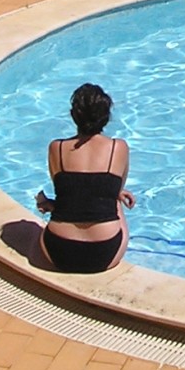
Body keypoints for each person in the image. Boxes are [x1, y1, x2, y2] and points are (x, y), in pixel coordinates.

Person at [34, 82, 135, 273]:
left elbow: (70, 196)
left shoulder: (57, 148)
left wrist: (46, 202)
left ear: (73, 115)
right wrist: (113, 192)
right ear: (106, 117)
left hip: (58, 250)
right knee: (115, 200)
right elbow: (116, 188)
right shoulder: (118, 147)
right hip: (105, 251)